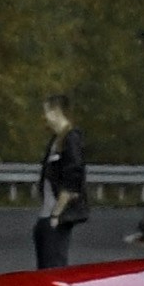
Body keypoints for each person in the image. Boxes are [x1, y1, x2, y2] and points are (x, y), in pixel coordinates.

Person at [35, 98, 89, 269]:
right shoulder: (56, 140)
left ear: (56, 112)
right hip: (46, 215)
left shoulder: (71, 138)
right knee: (44, 270)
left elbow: (73, 177)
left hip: (57, 217)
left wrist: (56, 214)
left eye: (47, 112)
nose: (45, 117)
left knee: (54, 268)